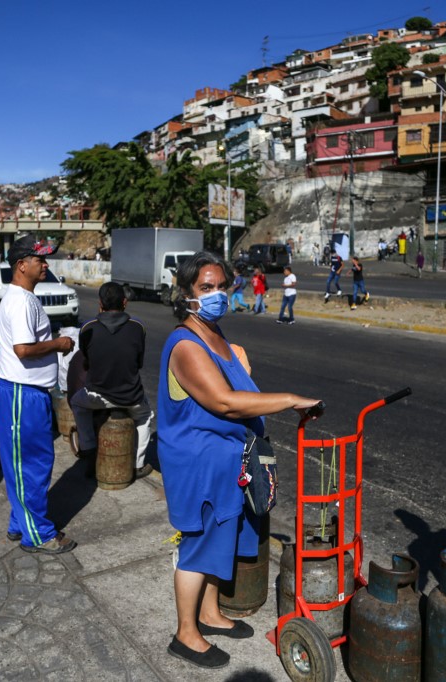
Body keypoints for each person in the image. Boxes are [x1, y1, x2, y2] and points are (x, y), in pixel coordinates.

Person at [157, 251, 321, 669]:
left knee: (222, 537)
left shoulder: (221, 340)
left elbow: (241, 391)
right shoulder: (186, 344)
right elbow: (226, 403)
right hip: (200, 461)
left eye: (220, 286)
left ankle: (210, 614)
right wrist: (290, 399)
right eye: (204, 288)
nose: (216, 295)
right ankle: (185, 633)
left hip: (230, 459)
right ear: (187, 295)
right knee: (199, 543)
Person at [0, 234, 76, 554]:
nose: (45, 265)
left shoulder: (24, 298)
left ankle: (20, 522)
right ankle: (38, 533)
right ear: (21, 265)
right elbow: (24, 350)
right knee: (31, 465)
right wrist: (59, 344)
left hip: (27, 393)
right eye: (39, 259)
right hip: (21, 394)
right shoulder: (19, 302)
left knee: (28, 463)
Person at [70, 282, 155, 478]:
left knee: (77, 404)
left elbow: (86, 364)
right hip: (131, 397)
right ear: (125, 302)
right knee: (145, 417)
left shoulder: (87, 328)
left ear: (100, 304)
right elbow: (139, 363)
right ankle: (138, 464)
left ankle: (89, 449)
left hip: (96, 396)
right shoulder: (138, 327)